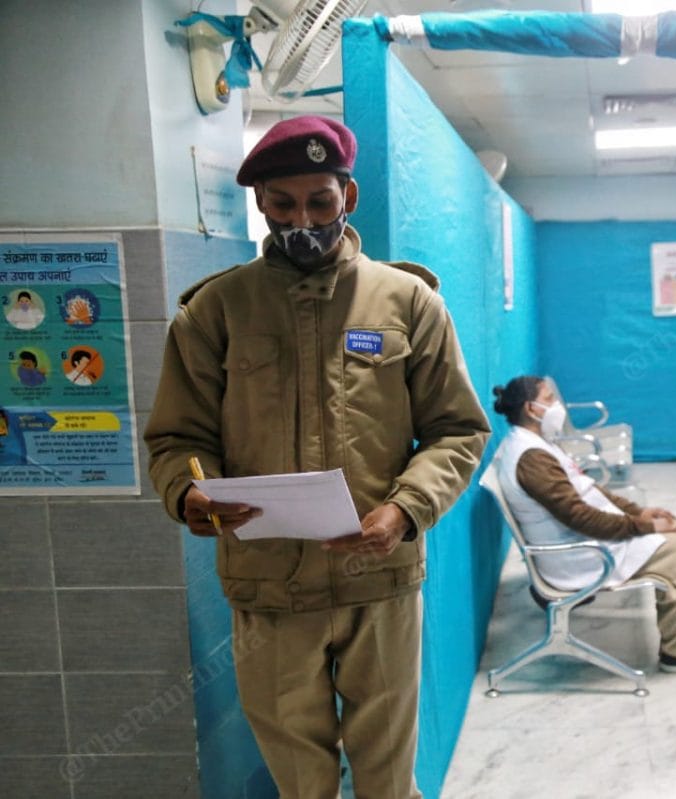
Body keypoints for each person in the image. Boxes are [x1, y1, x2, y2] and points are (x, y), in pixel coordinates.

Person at [143, 115, 491, 799]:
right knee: (302, 784)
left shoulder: (407, 303)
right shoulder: (215, 312)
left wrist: (406, 508)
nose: (302, 220)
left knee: (387, 779)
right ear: (261, 204)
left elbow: (458, 429)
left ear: (348, 198)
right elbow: (175, 439)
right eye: (283, 204)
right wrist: (191, 494)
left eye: (319, 202)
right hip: (269, 588)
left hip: (379, 578)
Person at [490, 375, 676, 674]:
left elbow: (588, 489)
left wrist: (640, 513)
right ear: (531, 409)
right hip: (577, 556)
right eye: (550, 399)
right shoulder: (532, 459)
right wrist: (645, 527)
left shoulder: (535, 445)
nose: (557, 405)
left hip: (581, 541)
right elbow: (582, 517)